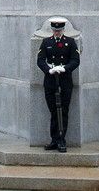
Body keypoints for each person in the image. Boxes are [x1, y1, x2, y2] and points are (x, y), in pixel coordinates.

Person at [37, 18, 80, 152]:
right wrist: (48, 69)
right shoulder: (46, 42)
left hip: (65, 80)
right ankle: (54, 140)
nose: (57, 32)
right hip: (50, 80)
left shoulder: (70, 42)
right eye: (55, 30)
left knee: (63, 110)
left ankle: (61, 139)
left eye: (59, 30)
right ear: (52, 30)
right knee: (53, 110)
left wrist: (65, 68)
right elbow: (40, 60)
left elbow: (75, 60)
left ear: (63, 30)